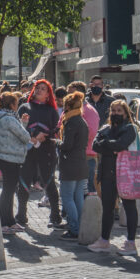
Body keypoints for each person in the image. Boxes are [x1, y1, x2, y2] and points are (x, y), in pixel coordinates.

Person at [88, 99, 140, 256]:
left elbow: (121, 144)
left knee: (129, 206)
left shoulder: (131, 128)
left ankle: (131, 243)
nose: (116, 113)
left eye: (119, 111)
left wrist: (107, 145)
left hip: (126, 174)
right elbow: (95, 146)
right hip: (107, 174)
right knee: (108, 208)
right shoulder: (105, 128)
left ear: (125, 113)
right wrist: (113, 146)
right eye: (113, 111)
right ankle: (104, 241)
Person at [0, 92, 37, 233]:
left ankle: (9, 221)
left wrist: (22, 123)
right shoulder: (9, 119)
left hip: (6, 156)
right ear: (12, 104)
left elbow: (15, 133)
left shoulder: (2, 116)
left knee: (9, 190)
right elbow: (24, 136)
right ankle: (2, 222)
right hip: (10, 157)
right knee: (8, 191)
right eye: (16, 103)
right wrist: (24, 126)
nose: (18, 105)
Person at [16, 79, 61, 228]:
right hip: (27, 151)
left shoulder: (52, 111)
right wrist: (31, 135)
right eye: (38, 88)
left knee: (49, 182)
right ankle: (21, 215)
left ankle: (55, 215)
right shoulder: (24, 107)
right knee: (23, 182)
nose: (40, 90)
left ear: (48, 94)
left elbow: (56, 129)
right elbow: (17, 127)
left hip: (46, 150)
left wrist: (45, 135)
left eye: (43, 89)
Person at [56, 92, 89, 240]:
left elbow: (67, 145)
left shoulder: (71, 122)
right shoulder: (82, 121)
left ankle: (74, 229)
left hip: (70, 164)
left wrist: (57, 143)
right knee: (78, 197)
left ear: (68, 105)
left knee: (67, 197)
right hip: (81, 163)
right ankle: (81, 226)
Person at [67, 81, 100, 194]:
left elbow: (91, 133)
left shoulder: (89, 111)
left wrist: (69, 139)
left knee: (86, 192)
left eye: (71, 94)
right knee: (74, 192)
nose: (68, 97)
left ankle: (85, 212)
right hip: (72, 155)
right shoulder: (71, 110)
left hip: (86, 155)